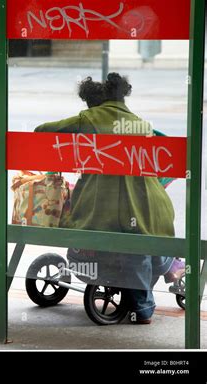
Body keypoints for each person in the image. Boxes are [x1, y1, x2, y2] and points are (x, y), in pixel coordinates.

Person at [35, 73, 185, 324]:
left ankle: (144, 309)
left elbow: (41, 131)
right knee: (145, 242)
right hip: (155, 209)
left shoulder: (90, 118)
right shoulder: (141, 123)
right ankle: (171, 265)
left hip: (110, 213)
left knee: (128, 245)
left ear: (95, 102)